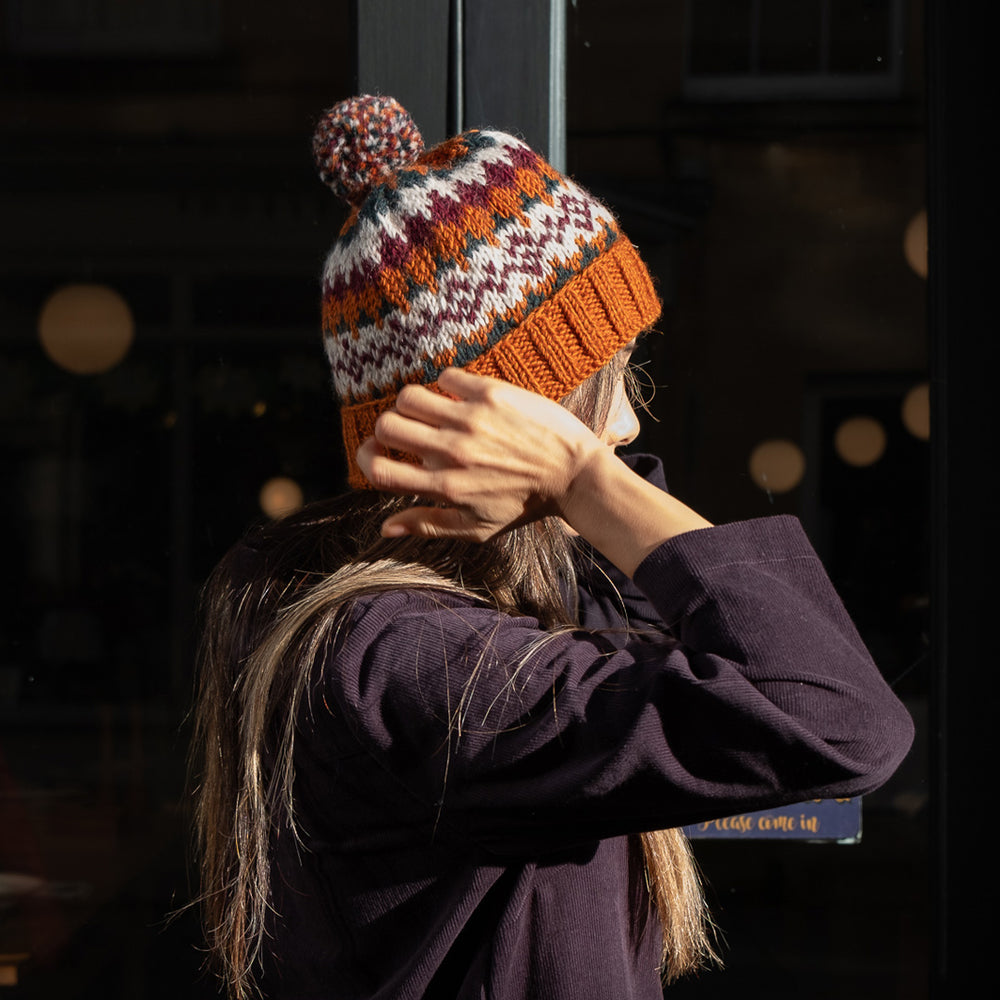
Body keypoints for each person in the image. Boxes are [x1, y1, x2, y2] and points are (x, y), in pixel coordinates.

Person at [191, 95, 913, 1000]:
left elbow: (730, 642)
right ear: (512, 424)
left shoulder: (509, 604)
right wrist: (578, 478)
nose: (629, 420)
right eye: (600, 390)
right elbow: (838, 719)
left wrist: (579, 483)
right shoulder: (407, 656)